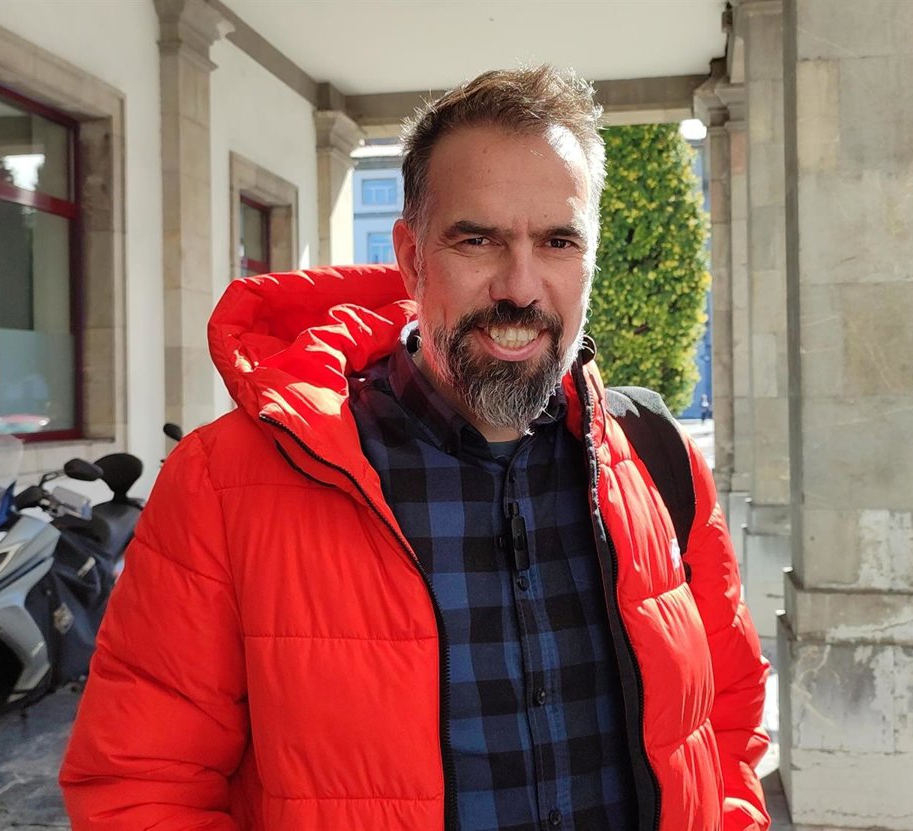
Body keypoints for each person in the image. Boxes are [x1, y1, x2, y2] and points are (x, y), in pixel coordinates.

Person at [61, 66, 769, 831]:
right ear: (411, 257)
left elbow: (725, 724)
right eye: (477, 239)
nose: (521, 286)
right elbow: (141, 786)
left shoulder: (659, 462)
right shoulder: (224, 485)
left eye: (558, 241)